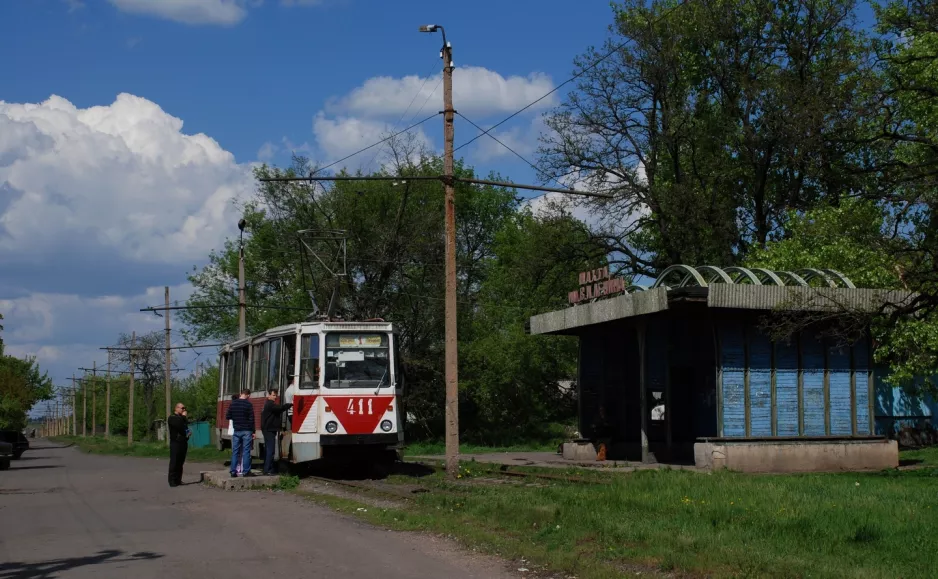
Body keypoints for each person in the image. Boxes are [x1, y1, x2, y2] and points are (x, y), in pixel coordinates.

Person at [260, 389, 293, 475]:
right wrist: (290, 404)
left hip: (268, 430)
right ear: (269, 396)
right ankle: (268, 470)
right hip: (269, 430)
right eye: (274, 395)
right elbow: (280, 408)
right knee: (270, 450)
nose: (275, 397)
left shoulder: (267, 405)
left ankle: (268, 469)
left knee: (269, 449)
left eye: (276, 395)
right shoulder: (270, 405)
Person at [225, 389, 255, 478]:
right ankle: (246, 471)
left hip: (237, 430)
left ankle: (233, 471)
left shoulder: (233, 403)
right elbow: (251, 419)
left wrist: (236, 418)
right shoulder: (248, 404)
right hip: (247, 431)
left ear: (241, 393)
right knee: (246, 451)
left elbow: (228, 416)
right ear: (248, 395)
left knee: (235, 452)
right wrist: (253, 431)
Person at [167, 402, 190, 487]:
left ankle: (178, 479)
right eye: (182, 408)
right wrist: (184, 417)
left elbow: (184, 427)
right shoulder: (172, 418)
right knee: (174, 461)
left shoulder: (182, 419)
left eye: (184, 408)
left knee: (181, 462)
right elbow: (179, 425)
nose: (184, 410)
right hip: (175, 442)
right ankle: (172, 481)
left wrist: (188, 433)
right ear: (176, 408)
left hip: (183, 442)